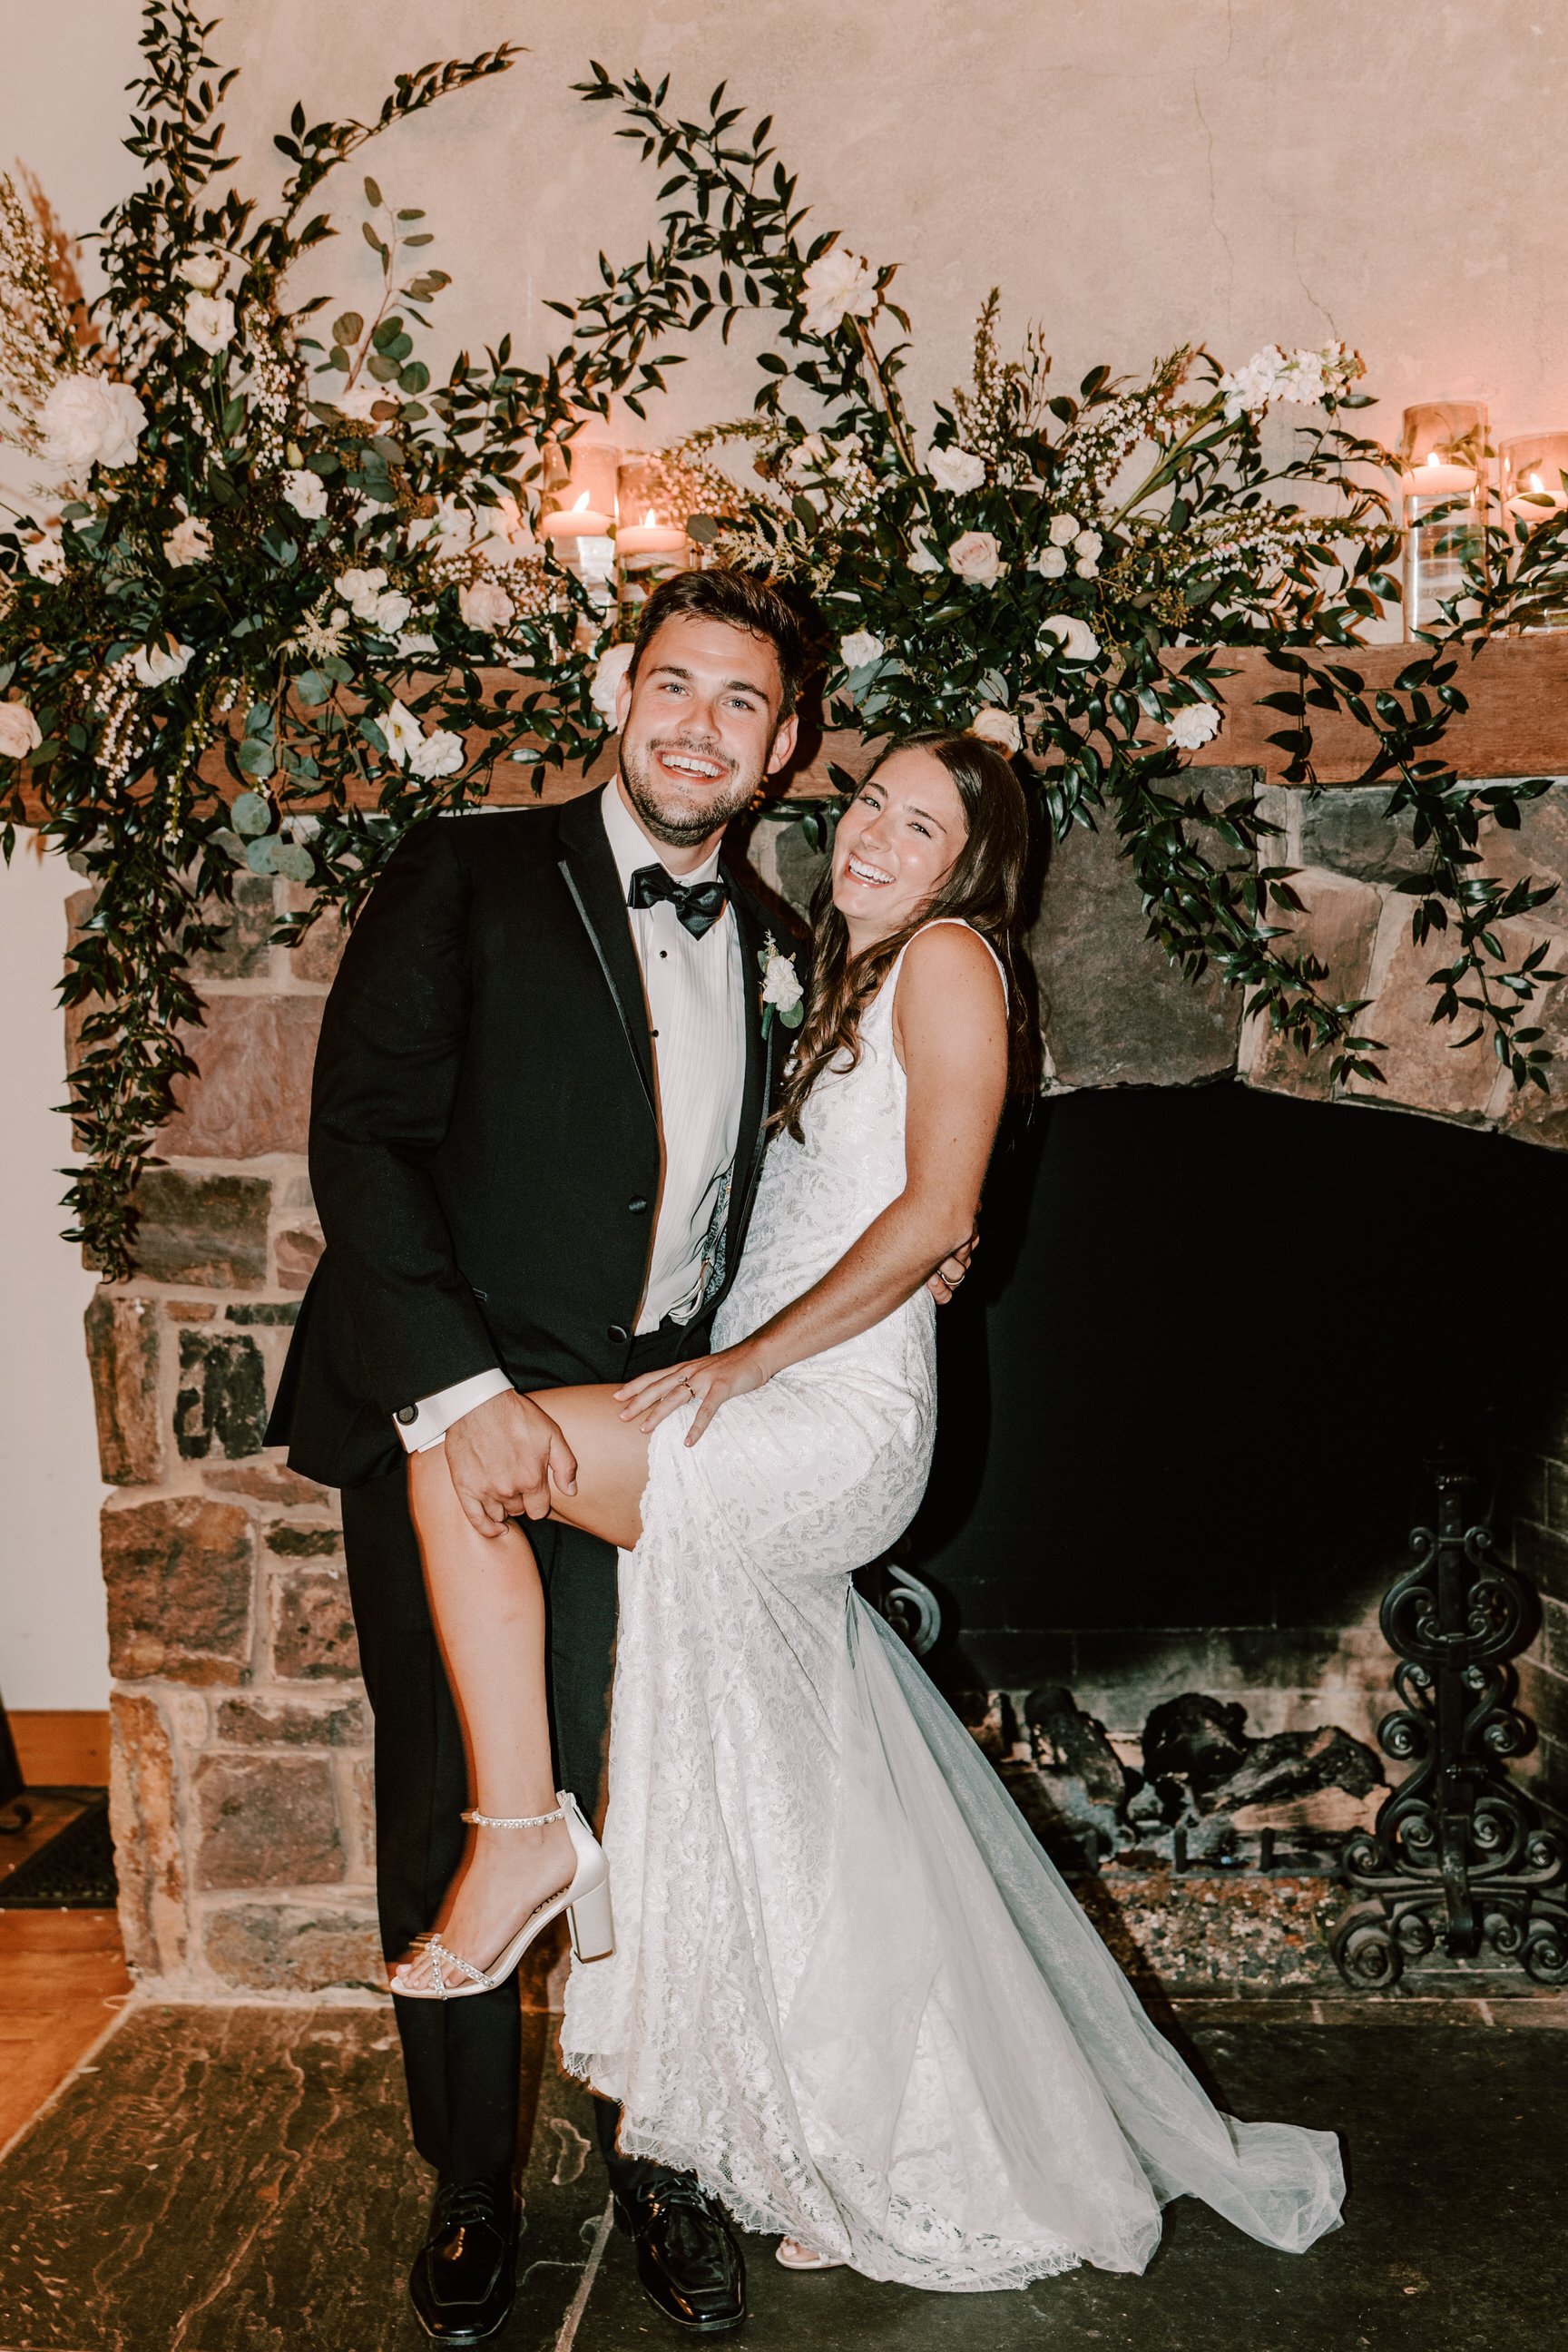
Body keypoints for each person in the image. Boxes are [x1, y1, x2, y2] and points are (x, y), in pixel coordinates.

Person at [394, 727, 1347, 2298]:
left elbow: (936, 1213)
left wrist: (748, 1363)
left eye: (921, 827)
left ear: (972, 869)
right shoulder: (840, 971)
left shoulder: (954, 960)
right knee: (808, 1817)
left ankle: (522, 1839)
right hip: (773, 1393)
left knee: (463, 1454)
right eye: (870, 805)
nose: (874, 838)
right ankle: (886, 2147)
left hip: (827, 1417)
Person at [266, 565, 970, 2345]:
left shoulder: (796, 947)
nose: (700, 725)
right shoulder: (465, 873)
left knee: (663, 1791)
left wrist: (924, 1253)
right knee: (454, 1794)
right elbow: (362, 1141)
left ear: (785, 746)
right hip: (452, 1414)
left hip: (660, 1437)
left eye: (744, 702)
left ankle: (664, 2160)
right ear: (621, 693)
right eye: (677, 684)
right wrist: (460, 1395)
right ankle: (471, 2181)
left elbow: (826, 1186)